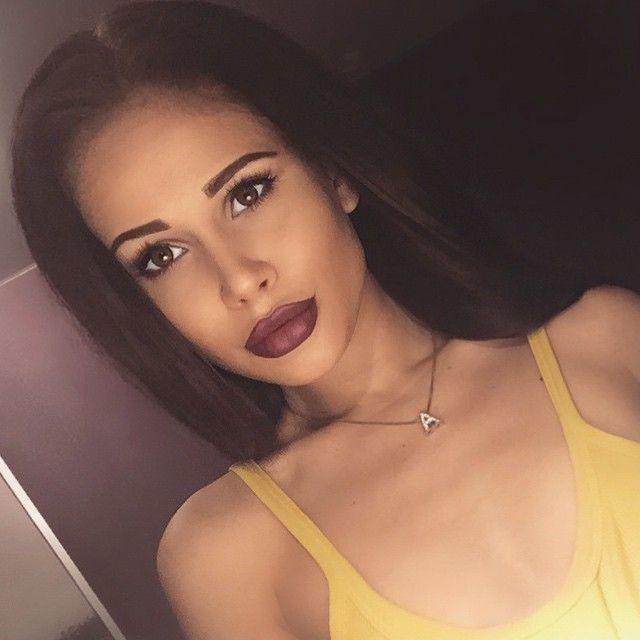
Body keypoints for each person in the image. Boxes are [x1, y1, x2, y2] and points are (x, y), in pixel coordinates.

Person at [10, 2, 640, 639]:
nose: (240, 280)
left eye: (247, 194)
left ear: (333, 174)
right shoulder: (227, 557)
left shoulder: (605, 340)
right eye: (161, 257)